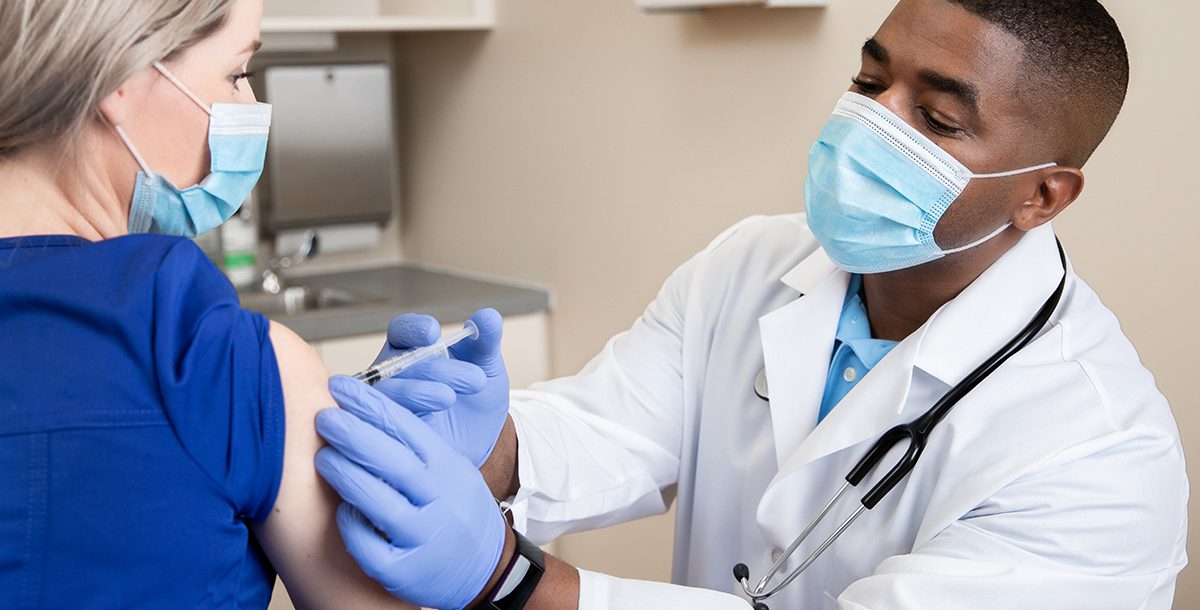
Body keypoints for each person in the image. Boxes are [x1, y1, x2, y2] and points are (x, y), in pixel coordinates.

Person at [313, 0, 1189, 608]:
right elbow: (619, 424)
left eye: (936, 119)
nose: (872, 123)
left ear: (1042, 195)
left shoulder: (1098, 451)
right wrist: (492, 447)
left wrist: (507, 582)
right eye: (869, 80)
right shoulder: (755, 262)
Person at [0, 1, 495, 607]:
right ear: (118, 81)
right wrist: (503, 572)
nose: (249, 107)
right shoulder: (202, 349)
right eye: (236, 73)